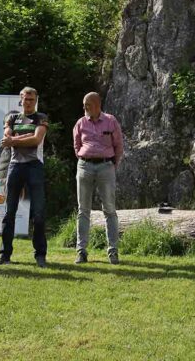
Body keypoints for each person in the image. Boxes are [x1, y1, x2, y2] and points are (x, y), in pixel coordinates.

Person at [0, 86, 49, 267]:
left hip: (35, 166)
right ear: (21, 100)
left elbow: (35, 140)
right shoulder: (12, 117)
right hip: (15, 166)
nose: (28, 102)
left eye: (31, 99)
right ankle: (4, 255)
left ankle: (40, 255)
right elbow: (6, 136)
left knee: (38, 213)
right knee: (9, 212)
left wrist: (15, 140)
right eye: (25, 99)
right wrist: (15, 138)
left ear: (36, 100)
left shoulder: (41, 118)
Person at [73, 91, 124, 264]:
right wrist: (84, 159)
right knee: (83, 210)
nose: (84, 108)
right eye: (83, 105)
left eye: (87, 105)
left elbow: (119, 146)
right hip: (84, 166)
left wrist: (111, 165)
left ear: (96, 105)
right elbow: (76, 145)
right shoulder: (80, 123)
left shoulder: (111, 121)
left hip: (106, 167)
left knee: (109, 209)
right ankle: (81, 251)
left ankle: (113, 251)